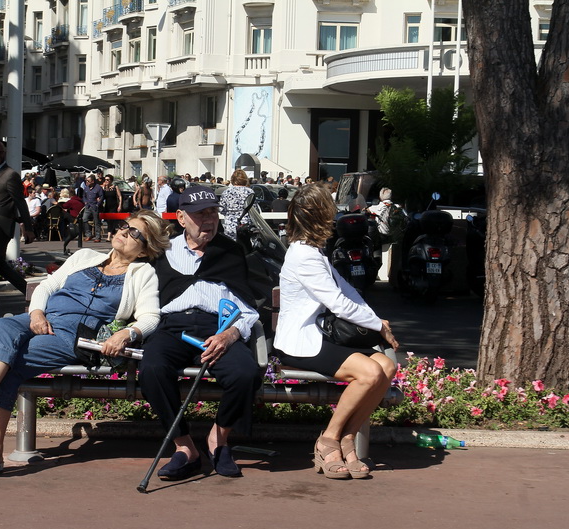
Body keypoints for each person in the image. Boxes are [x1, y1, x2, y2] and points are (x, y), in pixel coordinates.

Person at [0, 210, 171, 477]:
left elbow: (150, 316)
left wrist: (128, 333)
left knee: (13, 361)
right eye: (124, 226)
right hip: (43, 318)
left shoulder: (143, 273)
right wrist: (36, 313)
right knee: (1, 325)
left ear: (144, 250)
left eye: (134, 232)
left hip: (75, 334)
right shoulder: (85, 257)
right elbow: (46, 287)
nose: (123, 232)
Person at [273, 183, 399, 480]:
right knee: (370, 373)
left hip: (317, 335)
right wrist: (377, 325)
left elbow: (348, 292)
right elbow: (338, 303)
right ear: (314, 216)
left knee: (387, 366)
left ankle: (347, 437)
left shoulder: (314, 252)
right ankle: (328, 439)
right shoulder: (303, 255)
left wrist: (377, 320)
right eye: (327, 212)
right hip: (299, 342)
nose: (332, 219)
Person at [140, 185, 262, 481]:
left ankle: (218, 441)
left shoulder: (230, 251)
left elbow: (248, 309)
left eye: (212, 212)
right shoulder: (163, 251)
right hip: (173, 327)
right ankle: (185, 448)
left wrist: (230, 335)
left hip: (218, 327)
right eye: (199, 214)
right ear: (181, 218)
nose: (209, 220)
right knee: (152, 369)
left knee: (245, 373)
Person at [0, 140, 36, 295]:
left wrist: (28, 228)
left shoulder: (10, 174)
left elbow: (20, 202)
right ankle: (30, 292)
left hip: (1, 224)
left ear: (4, 153)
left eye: (0, 153)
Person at [218, 169, 253, 240]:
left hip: (230, 223)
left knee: (231, 246)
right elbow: (254, 209)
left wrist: (230, 213)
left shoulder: (226, 192)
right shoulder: (250, 192)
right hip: (245, 224)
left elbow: (221, 209)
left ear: (233, 179)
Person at [81, 174, 104, 242]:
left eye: (88, 181)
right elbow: (84, 196)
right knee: (84, 219)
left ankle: (97, 236)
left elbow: (101, 196)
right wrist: (85, 201)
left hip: (94, 206)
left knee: (96, 222)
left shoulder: (98, 188)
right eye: (86, 181)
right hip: (88, 206)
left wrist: (98, 204)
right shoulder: (86, 188)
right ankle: (88, 234)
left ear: (92, 181)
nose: (87, 182)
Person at [101, 175, 122, 242]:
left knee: (111, 220)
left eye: (108, 180)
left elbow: (120, 196)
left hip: (114, 206)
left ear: (111, 181)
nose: (106, 181)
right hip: (107, 206)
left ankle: (108, 236)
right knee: (108, 221)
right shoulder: (104, 188)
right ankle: (113, 234)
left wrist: (120, 205)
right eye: (105, 179)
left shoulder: (115, 188)